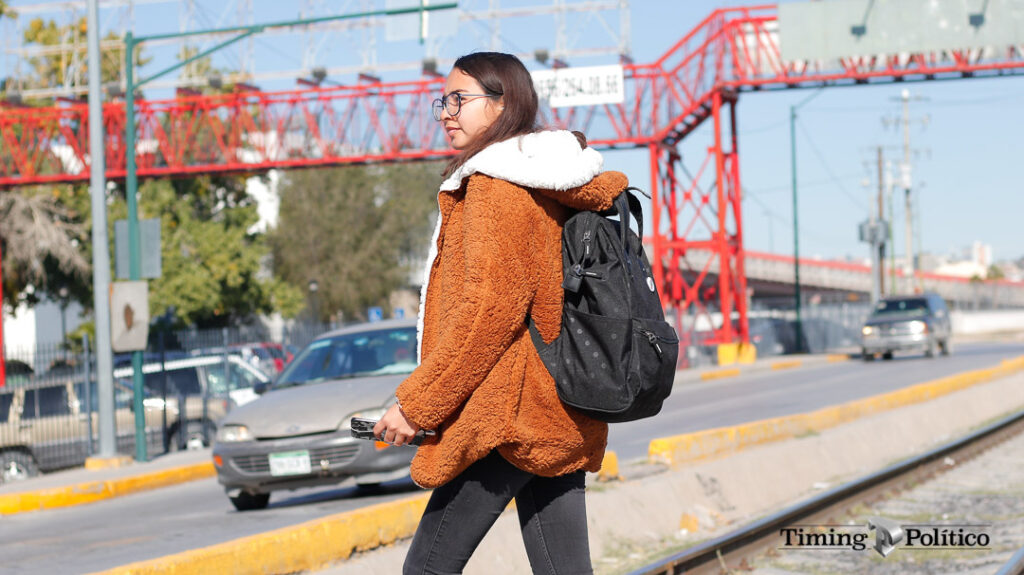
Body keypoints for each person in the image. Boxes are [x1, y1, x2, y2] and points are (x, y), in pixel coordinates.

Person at [373, 51, 628, 574]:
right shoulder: (543, 180)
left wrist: (418, 405)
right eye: (442, 101)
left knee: (425, 569)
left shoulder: (496, 184)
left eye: (459, 100)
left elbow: (489, 310)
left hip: (504, 414)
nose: (446, 113)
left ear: (502, 103)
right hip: (555, 402)